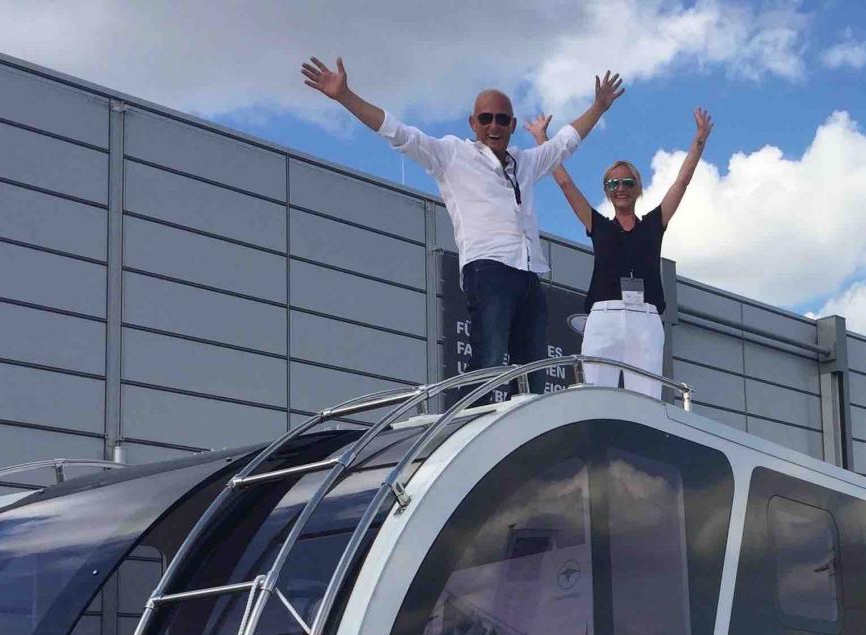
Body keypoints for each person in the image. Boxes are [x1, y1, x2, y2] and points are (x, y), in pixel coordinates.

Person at [301, 56, 625, 386]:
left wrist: (599, 106)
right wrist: (346, 96)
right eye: (486, 118)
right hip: (488, 268)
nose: (494, 125)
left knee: (533, 371)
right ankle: (471, 415)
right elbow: (398, 133)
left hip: (528, 273)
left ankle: (523, 415)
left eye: (502, 119)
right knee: (488, 359)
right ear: (473, 122)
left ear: (513, 125)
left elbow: (564, 142)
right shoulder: (452, 155)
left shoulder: (525, 163)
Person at [528, 107, 713, 396]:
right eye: (613, 183)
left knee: (646, 399)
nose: (620, 188)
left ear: (638, 187)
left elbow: (682, 181)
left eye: (627, 182)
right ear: (606, 190)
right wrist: (543, 139)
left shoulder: (654, 223)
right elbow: (565, 184)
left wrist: (700, 139)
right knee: (596, 395)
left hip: (646, 318)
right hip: (604, 317)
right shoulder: (598, 225)